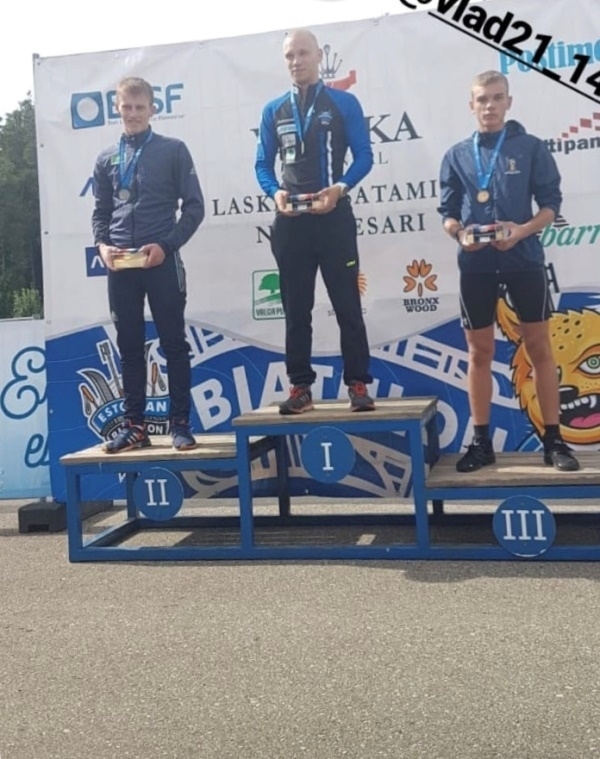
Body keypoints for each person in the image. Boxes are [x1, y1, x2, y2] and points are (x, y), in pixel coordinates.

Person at [438, 70, 579, 473]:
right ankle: (482, 443)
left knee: (539, 349)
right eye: (482, 99)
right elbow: (448, 214)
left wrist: (521, 231)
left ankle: (554, 441)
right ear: (472, 106)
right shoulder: (457, 155)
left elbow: (550, 205)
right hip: (476, 265)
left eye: (497, 98)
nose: (490, 106)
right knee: (479, 352)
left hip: (524, 260)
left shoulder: (531, 148)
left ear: (509, 102)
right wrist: (460, 234)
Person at [255, 28, 376, 415]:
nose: (296, 61)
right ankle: (300, 387)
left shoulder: (343, 103)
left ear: (319, 55)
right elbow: (262, 164)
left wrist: (339, 188)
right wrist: (275, 193)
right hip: (291, 222)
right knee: (296, 310)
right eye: (289, 55)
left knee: (347, 305)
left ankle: (357, 383)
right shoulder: (274, 110)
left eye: (303, 53)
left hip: (333, 217)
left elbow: (364, 156)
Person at [92, 76, 205, 453]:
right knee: (129, 347)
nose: (133, 114)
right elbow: (101, 212)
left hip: (161, 261)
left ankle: (181, 425)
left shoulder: (174, 150)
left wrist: (167, 245)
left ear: (153, 109)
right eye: (127, 107)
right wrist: (102, 245)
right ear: (117, 108)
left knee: (174, 344)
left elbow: (195, 208)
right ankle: (135, 427)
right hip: (121, 265)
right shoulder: (106, 158)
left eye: (140, 107)